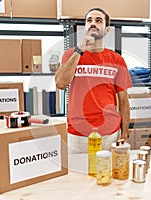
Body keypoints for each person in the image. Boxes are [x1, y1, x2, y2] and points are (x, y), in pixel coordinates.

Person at [55, 7, 132, 153]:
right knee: (77, 175)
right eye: (89, 20)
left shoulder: (117, 60)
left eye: (98, 20)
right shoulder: (71, 54)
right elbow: (60, 83)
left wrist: (125, 132)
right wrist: (80, 49)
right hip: (78, 133)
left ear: (107, 29)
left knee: (106, 174)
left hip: (109, 133)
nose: (93, 23)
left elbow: (123, 101)